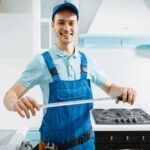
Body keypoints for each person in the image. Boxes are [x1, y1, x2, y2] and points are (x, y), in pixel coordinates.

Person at [3, 2, 136, 150]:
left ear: (77, 26)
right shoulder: (41, 62)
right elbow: (10, 95)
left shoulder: (88, 61)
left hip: (86, 145)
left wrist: (123, 91)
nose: (66, 28)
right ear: (52, 25)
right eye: (61, 22)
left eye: (71, 23)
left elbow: (110, 88)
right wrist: (15, 103)